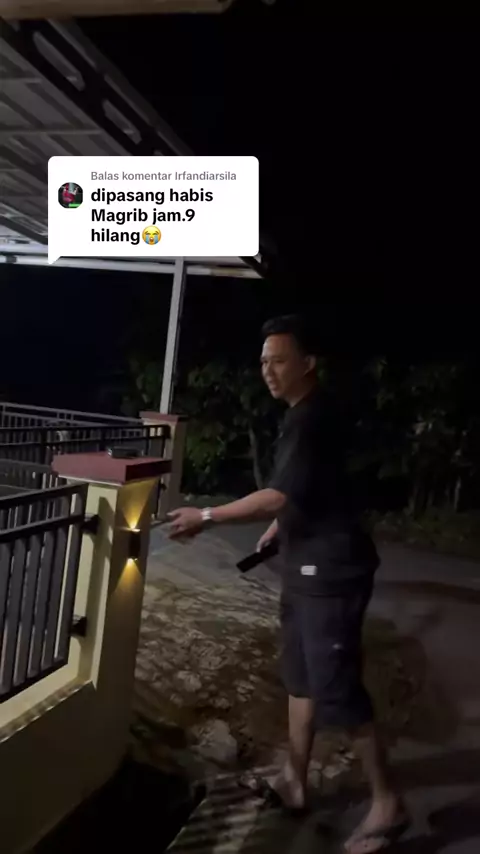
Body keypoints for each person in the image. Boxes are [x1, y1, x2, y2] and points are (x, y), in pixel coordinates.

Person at [168, 315, 407, 854]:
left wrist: (206, 516)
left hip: (332, 573)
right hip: (304, 569)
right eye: (263, 362)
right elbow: (310, 489)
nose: (268, 371)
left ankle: (388, 803)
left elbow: (278, 494)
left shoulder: (310, 417)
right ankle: (295, 780)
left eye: (278, 360)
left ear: (307, 363)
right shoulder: (302, 414)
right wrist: (282, 526)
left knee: (338, 690)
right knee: (300, 678)